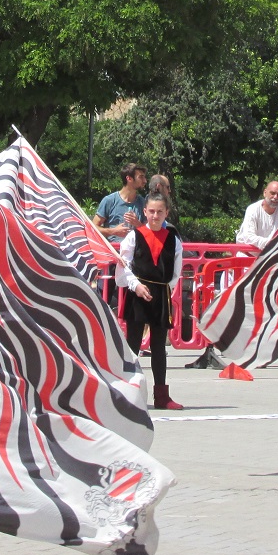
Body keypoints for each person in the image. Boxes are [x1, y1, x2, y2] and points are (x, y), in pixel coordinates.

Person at [117, 192, 184, 411]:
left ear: (166, 213)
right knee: (133, 344)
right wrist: (136, 286)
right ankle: (129, 393)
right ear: (144, 212)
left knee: (158, 346)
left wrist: (165, 290)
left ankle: (162, 396)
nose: (155, 216)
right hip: (137, 291)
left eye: (160, 211)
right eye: (152, 211)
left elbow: (176, 271)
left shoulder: (173, 239)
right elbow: (124, 264)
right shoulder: (134, 236)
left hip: (160, 294)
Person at [95, 163, 146, 240]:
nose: (145, 181)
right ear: (129, 178)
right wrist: (113, 231)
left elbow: (149, 232)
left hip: (135, 250)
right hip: (113, 249)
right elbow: (93, 227)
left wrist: (137, 223)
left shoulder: (143, 203)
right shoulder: (109, 201)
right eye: (141, 177)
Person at [237, 181, 278, 248]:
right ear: (265, 193)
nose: (275, 197)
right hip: (248, 254)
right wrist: (271, 244)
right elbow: (248, 237)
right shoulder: (252, 209)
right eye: (272, 193)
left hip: (274, 254)